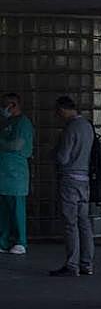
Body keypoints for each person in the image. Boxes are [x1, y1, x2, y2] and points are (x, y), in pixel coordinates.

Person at [49, 96, 95, 277]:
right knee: (84, 221)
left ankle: (72, 264)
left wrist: (53, 153)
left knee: (70, 223)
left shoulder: (70, 128)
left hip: (70, 178)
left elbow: (63, 157)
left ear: (62, 109)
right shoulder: (87, 126)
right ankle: (87, 263)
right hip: (84, 178)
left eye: (57, 111)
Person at [0, 93, 34, 256]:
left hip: (16, 173)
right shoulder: (7, 122)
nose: (3, 108)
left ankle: (21, 241)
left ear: (13, 105)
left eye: (5, 105)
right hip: (4, 172)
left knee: (17, 208)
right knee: (4, 210)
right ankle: (3, 240)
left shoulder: (23, 123)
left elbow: (17, 145)